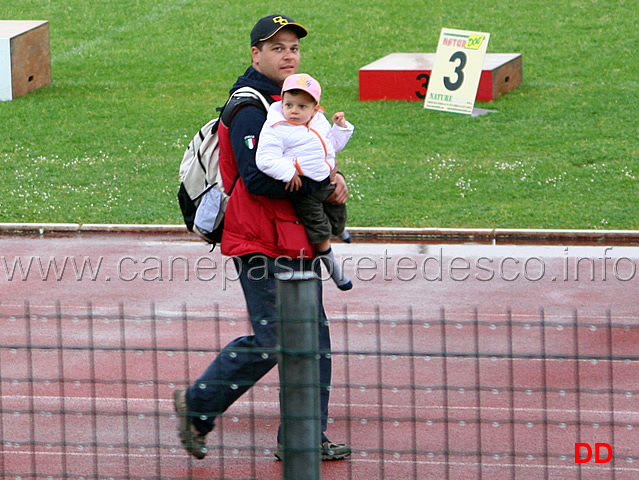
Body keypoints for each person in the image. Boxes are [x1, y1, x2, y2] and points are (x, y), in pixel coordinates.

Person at [173, 14, 351, 462]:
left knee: (314, 338)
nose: (288, 55)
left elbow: (315, 154)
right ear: (256, 54)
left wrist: (333, 173)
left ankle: (304, 436)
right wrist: (322, 185)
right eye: (277, 48)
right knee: (276, 339)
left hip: (293, 238)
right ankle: (198, 404)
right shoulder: (250, 106)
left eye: (293, 47)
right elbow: (256, 179)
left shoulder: (294, 98)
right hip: (258, 241)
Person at [256, 72, 354, 290]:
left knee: (338, 205)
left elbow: (332, 146)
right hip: (305, 189)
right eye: (288, 104)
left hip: (325, 179)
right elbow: (265, 159)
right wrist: (288, 173)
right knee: (317, 225)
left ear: (315, 108)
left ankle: (339, 230)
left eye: (301, 107)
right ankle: (333, 268)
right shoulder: (276, 127)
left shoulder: (317, 122)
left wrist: (340, 127)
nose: (293, 111)